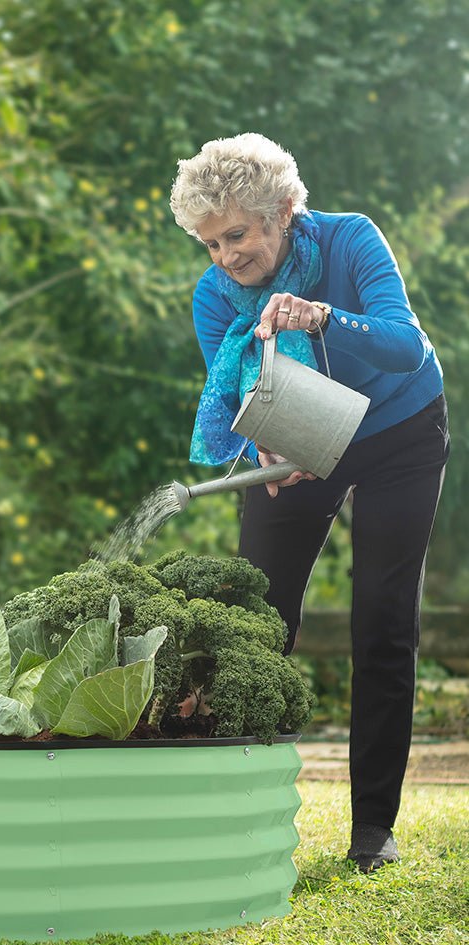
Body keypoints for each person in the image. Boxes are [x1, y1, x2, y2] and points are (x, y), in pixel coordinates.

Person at [169, 133, 448, 873]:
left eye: (238, 234)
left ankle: (372, 833)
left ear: (284, 210)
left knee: (384, 621)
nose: (226, 256)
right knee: (258, 625)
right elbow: (244, 402)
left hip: (399, 428)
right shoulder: (212, 297)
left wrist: (319, 315)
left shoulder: (351, 240)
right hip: (309, 438)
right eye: (210, 243)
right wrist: (267, 450)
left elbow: (406, 347)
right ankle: (233, 816)